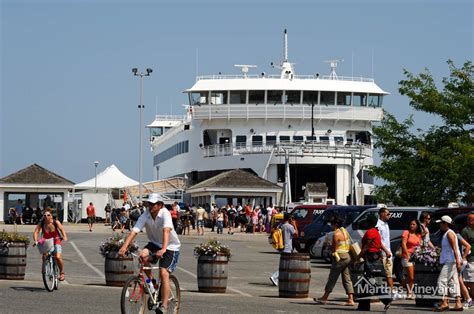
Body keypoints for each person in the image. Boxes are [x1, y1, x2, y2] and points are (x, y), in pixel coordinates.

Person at [119, 193, 180, 313]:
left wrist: (163, 249)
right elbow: (134, 231)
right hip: (154, 243)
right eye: (149, 203)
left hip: (171, 246)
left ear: (160, 205)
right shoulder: (146, 214)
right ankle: (152, 283)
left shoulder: (165, 214)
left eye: (153, 204)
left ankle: (165, 305)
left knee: (163, 272)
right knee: (142, 256)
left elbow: (166, 231)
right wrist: (124, 247)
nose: (150, 206)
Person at [314, 216, 355, 306]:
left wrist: (329, 245)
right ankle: (350, 299)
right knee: (347, 278)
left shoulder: (336, 234)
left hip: (339, 257)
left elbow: (334, 248)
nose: (330, 226)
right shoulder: (345, 231)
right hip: (347, 256)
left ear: (335, 224)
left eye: (331, 224)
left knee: (332, 277)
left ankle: (324, 298)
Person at [356, 214, 392, 311]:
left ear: (369, 222)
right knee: (366, 282)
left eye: (367, 221)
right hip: (375, 256)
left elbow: (366, 247)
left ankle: (387, 299)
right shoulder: (376, 232)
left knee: (369, 282)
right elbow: (379, 244)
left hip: (370, 257)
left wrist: (357, 257)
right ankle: (363, 306)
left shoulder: (370, 232)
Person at [434, 215, 463, 311]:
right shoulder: (448, 233)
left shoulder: (449, 233)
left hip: (450, 261)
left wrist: (458, 262)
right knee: (453, 282)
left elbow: (455, 248)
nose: (439, 225)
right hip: (452, 261)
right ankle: (458, 303)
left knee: (441, 281)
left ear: (445, 224)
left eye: (441, 223)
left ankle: (444, 302)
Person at [33, 207, 68, 281]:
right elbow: (36, 231)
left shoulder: (56, 222)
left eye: (48, 215)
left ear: (51, 216)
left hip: (56, 240)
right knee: (44, 256)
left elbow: (62, 229)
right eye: (44, 215)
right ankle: (44, 269)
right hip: (46, 240)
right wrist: (36, 241)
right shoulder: (42, 223)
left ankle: (62, 273)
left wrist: (64, 237)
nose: (46, 217)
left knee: (58, 257)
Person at [270, 212, 298, 286]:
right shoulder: (289, 226)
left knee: (285, 265)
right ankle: (274, 276)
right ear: (289, 219)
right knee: (285, 265)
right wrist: (294, 224)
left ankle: (279, 278)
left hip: (281, 247)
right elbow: (296, 234)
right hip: (287, 248)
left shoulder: (281, 226)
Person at [376, 206, 396, 297]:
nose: (389, 215)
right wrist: (385, 251)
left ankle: (391, 292)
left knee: (389, 274)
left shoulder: (386, 224)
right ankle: (378, 293)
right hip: (382, 254)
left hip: (388, 254)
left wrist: (389, 252)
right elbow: (378, 241)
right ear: (382, 214)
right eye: (388, 214)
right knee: (379, 275)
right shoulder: (378, 225)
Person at [400, 219, 422, 299]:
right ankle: (409, 293)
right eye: (411, 224)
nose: (412, 226)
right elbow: (403, 243)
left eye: (414, 224)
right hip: (407, 257)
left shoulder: (418, 235)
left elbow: (419, 245)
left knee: (408, 277)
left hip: (415, 257)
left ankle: (399, 288)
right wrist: (407, 254)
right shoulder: (406, 232)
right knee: (411, 277)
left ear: (417, 226)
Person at [462, 213, 474, 306]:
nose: (471, 221)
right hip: (470, 258)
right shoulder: (465, 230)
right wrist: (464, 257)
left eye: (472, 219)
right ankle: (470, 298)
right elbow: (464, 246)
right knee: (469, 280)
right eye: (469, 219)